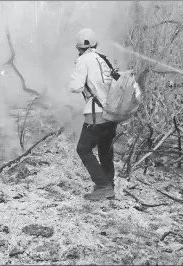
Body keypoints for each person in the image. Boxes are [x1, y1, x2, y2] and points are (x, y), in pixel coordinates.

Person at [69, 28, 117, 201]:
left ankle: (103, 186)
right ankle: (109, 185)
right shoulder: (103, 59)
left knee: (83, 149)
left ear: (78, 47)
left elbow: (75, 87)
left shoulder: (83, 60)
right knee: (105, 150)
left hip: (96, 113)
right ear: (96, 44)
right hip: (112, 113)